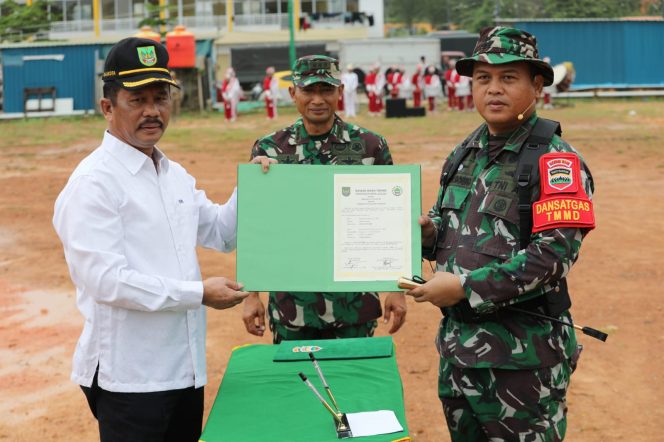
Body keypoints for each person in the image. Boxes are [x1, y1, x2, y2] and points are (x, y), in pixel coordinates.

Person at [52, 37, 272, 442]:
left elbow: (222, 233)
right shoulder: (94, 183)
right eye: (137, 100)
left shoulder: (173, 175)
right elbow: (106, 280)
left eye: (161, 97)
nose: (152, 111)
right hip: (129, 380)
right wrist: (197, 293)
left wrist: (252, 189)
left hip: (182, 370)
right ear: (108, 107)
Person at [406, 27, 595, 441]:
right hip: (459, 353)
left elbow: (553, 255)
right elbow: (446, 229)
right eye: (483, 78)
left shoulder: (555, 161)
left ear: (537, 85)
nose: (494, 89)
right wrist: (424, 232)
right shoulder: (464, 153)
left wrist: (465, 287)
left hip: (523, 361)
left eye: (508, 78)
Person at [242, 55, 407, 343]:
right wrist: (251, 295)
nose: (318, 99)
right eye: (308, 90)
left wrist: (397, 288)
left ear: (340, 92)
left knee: (353, 384)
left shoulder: (370, 146)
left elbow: (393, 220)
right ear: (293, 93)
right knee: (298, 386)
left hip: (354, 305)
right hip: (292, 304)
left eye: (326, 90)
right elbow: (258, 225)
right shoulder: (269, 149)